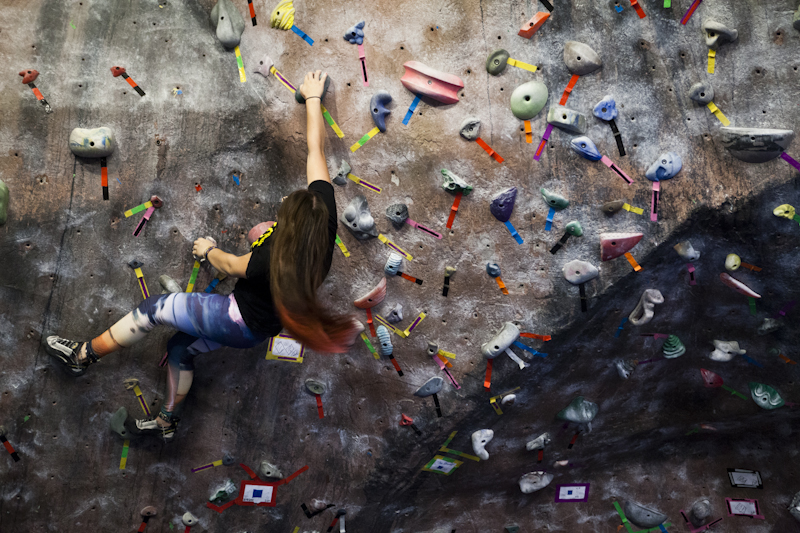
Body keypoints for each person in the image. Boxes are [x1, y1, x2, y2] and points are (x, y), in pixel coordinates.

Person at [45, 70, 360, 442]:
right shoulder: (322, 224)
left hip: (233, 319)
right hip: (256, 332)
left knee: (155, 310)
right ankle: (166, 420)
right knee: (179, 347)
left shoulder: (267, 260)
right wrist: (312, 98)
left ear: (287, 227)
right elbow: (315, 150)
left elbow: (228, 265)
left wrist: (207, 249)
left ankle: (83, 355)